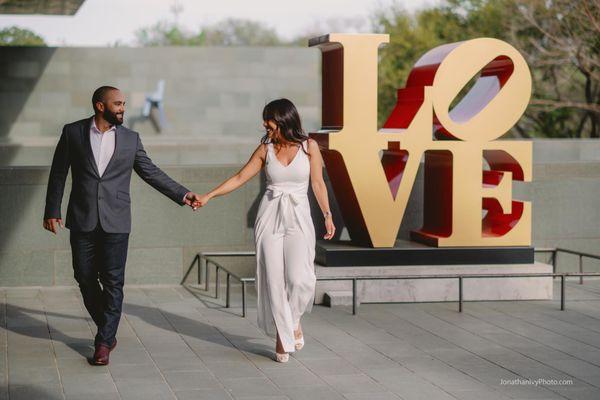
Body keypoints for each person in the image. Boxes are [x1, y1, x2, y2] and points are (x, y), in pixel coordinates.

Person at [43, 86, 202, 366]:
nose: (122, 108)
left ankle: (104, 341)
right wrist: (51, 210)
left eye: (124, 104)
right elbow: (58, 172)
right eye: (117, 104)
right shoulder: (73, 132)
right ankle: (109, 325)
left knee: (114, 281)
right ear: (99, 106)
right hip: (82, 217)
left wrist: (182, 193)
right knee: (84, 276)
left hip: (117, 220)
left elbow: (150, 172)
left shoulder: (131, 139)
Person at [195, 98, 335, 362]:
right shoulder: (265, 149)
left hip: (299, 216)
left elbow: (317, 183)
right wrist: (209, 196)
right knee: (273, 279)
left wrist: (327, 214)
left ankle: (293, 322)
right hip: (270, 215)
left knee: (300, 278)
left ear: (284, 121)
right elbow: (238, 177)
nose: (265, 128)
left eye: (269, 123)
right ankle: (283, 338)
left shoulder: (309, 147)